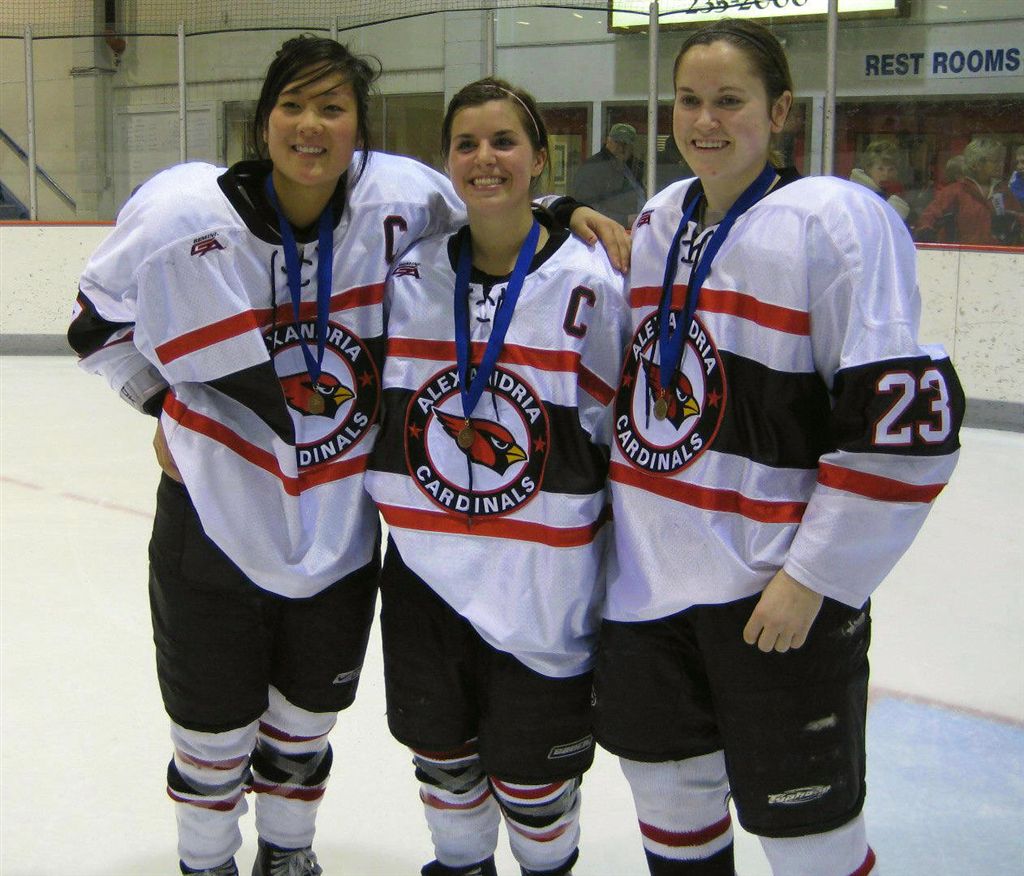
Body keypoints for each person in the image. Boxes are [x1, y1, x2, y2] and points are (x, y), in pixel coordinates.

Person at [67, 36, 627, 876]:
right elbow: (94, 322)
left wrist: (561, 209)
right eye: (293, 105)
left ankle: (288, 856)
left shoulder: (396, 200)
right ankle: (207, 863)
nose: (311, 125)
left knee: (302, 727)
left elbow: (490, 203)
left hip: (337, 529)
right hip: (215, 523)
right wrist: (160, 404)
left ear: (359, 131)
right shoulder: (184, 217)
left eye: (333, 109)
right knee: (211, 738)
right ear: (263, 122)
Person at [595, 18, 964, 876]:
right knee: (672, 811)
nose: (706, 121)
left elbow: (900, 430)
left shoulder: (835, 222)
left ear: (782, 111)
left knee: (811, 842)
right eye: (689, 100)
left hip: (772, 594)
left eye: (730, 100)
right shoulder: (658, 219)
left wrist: (815, 577)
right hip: (647, 590)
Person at [364, 77, 630, 876]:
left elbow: (613, 434)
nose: (485, 158)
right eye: (467, 144)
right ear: (446, 161)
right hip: (425, 573)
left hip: (540, 585)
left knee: (534, 779)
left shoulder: (589, 282)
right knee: (443, 760)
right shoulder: (410, 273)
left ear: (541, 159)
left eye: (504, 142)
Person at [915, 136, 1021, 245]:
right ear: (976, 164)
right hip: (960, 253)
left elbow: (1020, 221)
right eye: (995, 161)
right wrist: (927, 234)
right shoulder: (955, 191)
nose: (1001, 164)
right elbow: (928, 218)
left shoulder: (1004, 192)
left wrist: (1014, 222)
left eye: (1001, 160)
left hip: (998, 253)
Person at [571, 121, 647, 226]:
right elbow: (586, 206)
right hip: (609, 230)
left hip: (638, 226)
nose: (621, 147)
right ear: (608, 141)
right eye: (617, 142)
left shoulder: (635, 167)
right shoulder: (593, 167)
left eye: (626, 144)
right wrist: (624, 220)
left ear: (632, 146)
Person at [848, 139, 910, 221]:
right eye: (880, 169)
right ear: (868, 168)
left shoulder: (894, 193)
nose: (886, 174)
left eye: (891, 169)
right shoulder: (859, 194)